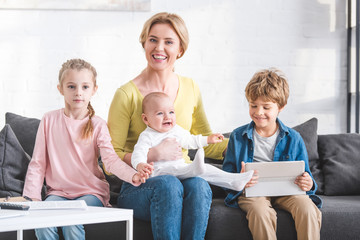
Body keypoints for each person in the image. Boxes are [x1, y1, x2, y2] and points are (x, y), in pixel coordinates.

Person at [108, 12, 228, 240]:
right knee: (169, 185)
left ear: (180, 49)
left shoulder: (191, 87)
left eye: (168, 42)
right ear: (144, 43)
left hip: (181, 177)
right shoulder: (126, 95)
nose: (159, 48)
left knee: (199, 185)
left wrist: (248, 146)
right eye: (153, 39)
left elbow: (205, 141)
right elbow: (110, 157)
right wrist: (151, 154)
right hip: (140, 187)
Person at [22, 58, 149, 240]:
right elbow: (38, 163)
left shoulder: (98, 125)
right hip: (57, 193)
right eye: (71, 87)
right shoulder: (49, 120)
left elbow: (110, 161)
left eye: (85, 87)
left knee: (72, 222)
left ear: (94, 90)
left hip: (91, 193)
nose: (78, 93)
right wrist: (32, 199)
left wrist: (132, 175)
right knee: (42, 225)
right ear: (61, 89)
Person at [222, 68, 322, 240]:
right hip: (253, 193)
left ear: (280, 107)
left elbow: (307, 175)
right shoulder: (237, 137)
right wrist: (239, 180)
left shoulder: (294, 138)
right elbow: (226, 176)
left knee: (307, 209)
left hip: (288, 192)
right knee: (260, 212)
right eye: (253, 105)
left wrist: (308, 183)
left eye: (266, 107)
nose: (258, 112)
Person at [133, 92, 253, 190]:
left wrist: (208, 139)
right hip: (159, 173)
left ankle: (234, 181)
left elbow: (190, 140)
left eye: (171, 112)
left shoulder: (176, 130)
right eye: (160, 113)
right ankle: (191, 170)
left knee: (206, 168)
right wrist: (140, 164)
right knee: (177, 169)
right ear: (146, 119)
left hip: (181, 167)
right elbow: (138, 153)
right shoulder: (147, 136)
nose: (167, 117)